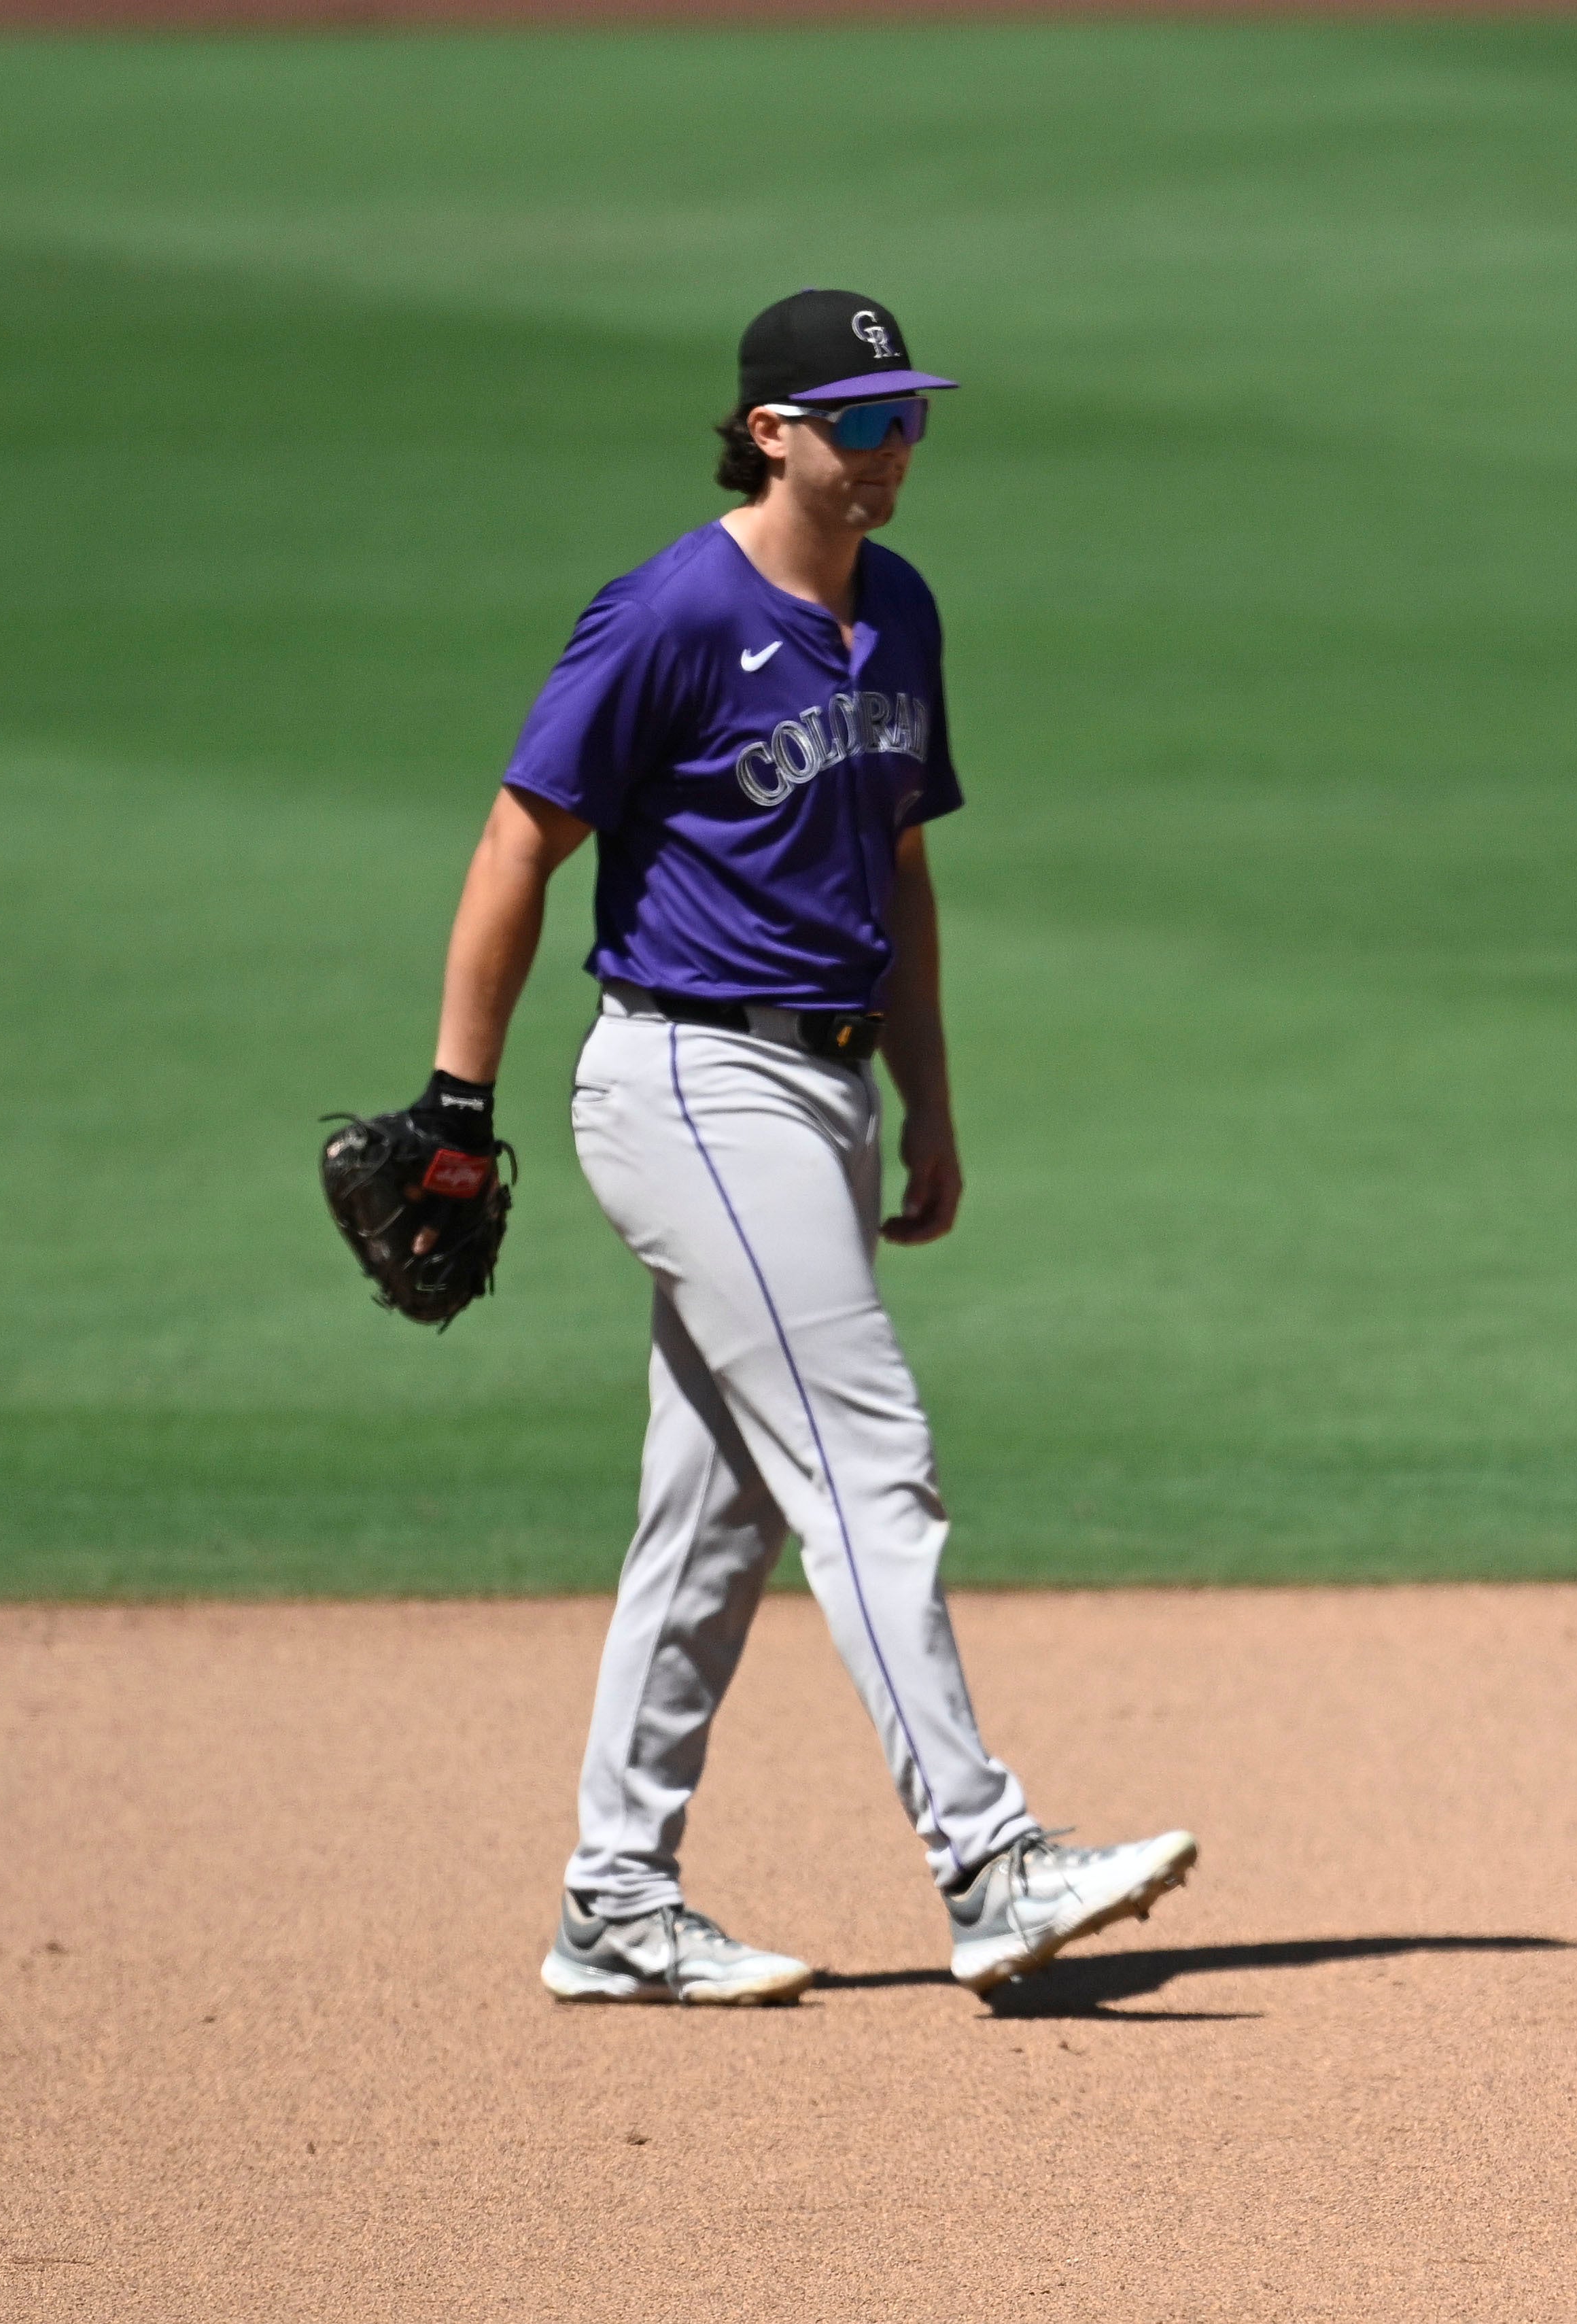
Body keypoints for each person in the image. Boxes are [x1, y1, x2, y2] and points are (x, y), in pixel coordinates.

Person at [410, 287, 1194, 2006]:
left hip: (824, 1094)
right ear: (773, 432)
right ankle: (988, 1861)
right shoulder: (668, 615)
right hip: (690, 1080)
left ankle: (614, 1900)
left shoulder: (896, 609)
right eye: (862, 421)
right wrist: (458, 1109)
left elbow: (897, 868)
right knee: (869, 1456)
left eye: (910, 415)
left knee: (715, 1520)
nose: (896, 448)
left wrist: (929, 1098)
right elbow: (514, 842)